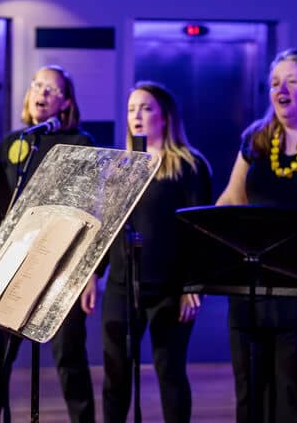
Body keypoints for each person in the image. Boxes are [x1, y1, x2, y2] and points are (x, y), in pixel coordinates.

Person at [216, 49, 297, 423]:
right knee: (251, 393)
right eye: (275, 83)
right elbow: (232, 199)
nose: (280, 89)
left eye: (292, 80)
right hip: (251, 289)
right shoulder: (255, 139)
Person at [87, 81, 211, 423]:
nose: (136, 116)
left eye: (145, 108)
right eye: (131, 109)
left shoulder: (189, 166)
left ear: (165, 117)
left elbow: (199, 234)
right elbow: (106, 227)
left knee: (169, 371)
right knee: (116, 376)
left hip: (170, 289)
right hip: (122, 287)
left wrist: (192, 287)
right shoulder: (119, 167)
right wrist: (92, 276)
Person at [0, 65, 96, 423]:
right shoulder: (14, 143)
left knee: (69, 356)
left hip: (62, 265)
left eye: (52, 90)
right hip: (14, 261)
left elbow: (90, 211)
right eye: (37, 85)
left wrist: (89, 274)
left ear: (65, 102)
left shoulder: (81, 144)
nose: (42, 93)